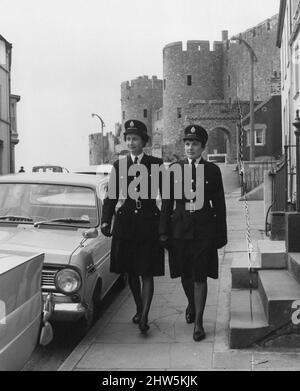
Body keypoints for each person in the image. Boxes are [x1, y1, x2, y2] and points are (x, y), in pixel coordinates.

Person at [159, 125, 227, 342]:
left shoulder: (212, 171)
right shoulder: (174, 169)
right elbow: (167, 203)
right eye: (187, 143)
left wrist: (220, 234)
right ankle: (191, 303)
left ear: (203, 147)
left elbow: (219, 204)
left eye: (195, 144)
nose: (190, 148)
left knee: (200, 275)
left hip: (204, 231)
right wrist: (163, 231)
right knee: (186, 275)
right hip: (179, 230)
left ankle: (198, 321)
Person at [101, 120, 165, 334]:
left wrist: (164, 226)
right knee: (132, 272)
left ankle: (145, 316)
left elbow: (164, 199)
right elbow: (110, 198)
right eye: (128, 139)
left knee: (146, 272)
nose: (131, 142)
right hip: (126, 226)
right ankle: (139, 308)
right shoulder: (119, 166)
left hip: (148, 225)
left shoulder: (156, 164)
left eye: (135, 139)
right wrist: (105, 220)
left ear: (143, 142)